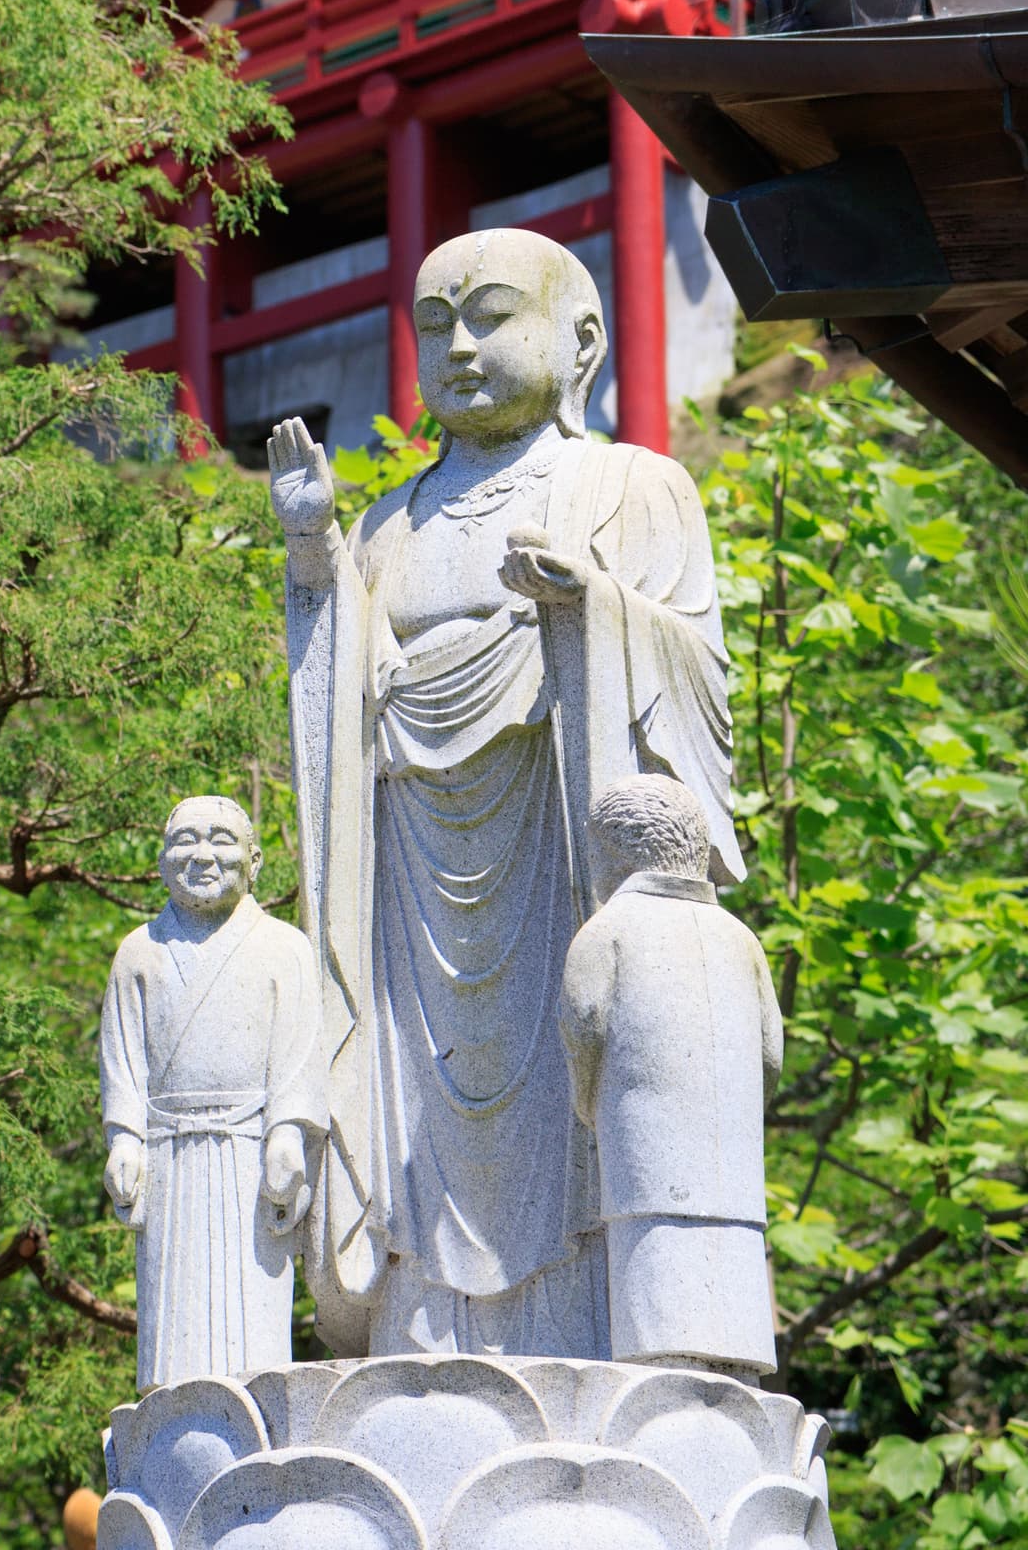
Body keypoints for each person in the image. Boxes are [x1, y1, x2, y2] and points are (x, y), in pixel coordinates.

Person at [269, 229, 741, 1360]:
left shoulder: (635, 487)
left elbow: (700, 681)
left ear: (581, 343)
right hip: (410, 898)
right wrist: (311, 555)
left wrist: (593, 612)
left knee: (577, 1107)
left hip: (558, 863)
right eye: (436, 326)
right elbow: (339, 706)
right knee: (408, 1110)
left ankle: (586, 1338)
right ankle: (419, 1346)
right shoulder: (386, 524)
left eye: (490, 316)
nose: (461, 347)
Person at [100, 795, 329, 1389]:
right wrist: (124, 1138)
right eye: (186, 841)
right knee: (169, 1332)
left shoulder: (285, 948)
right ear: (161, 861)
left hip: (247, 1153)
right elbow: (122, 1056)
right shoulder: (138, 953)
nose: (203, 855)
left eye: (222, 840)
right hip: (169, 1154)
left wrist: (288, 1135)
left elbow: (299, 1052)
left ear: (254, 861)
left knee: (253, 1327)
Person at [559, 776, 782, 1377]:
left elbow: (583, 1032)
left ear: (612, 852)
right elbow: (771, 1055)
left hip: (646, 1169)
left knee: (656, 1344)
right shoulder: (742, 940)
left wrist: (589, 1105)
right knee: (735, 1343)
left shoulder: (606, 932)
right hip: (733, 1178)